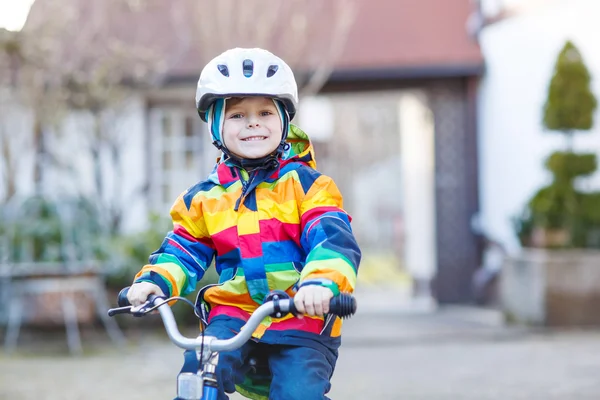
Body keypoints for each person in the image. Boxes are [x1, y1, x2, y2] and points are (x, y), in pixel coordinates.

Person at [126, 47, 361, 400]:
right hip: (233, 315)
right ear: (216, 127)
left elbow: (331, 238)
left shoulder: (308, 186)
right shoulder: (204, 197)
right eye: (237, 115)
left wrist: (321, 283)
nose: (253, 122)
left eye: (265, 112)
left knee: (298, 393)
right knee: (198, 371)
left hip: (300, 315)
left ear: (284, 121)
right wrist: (154, 283)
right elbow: (183, 250)